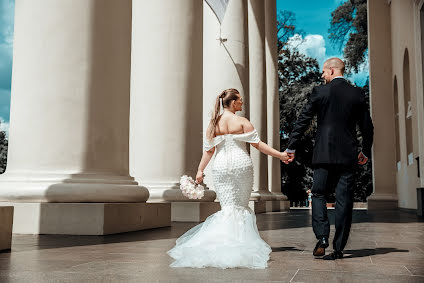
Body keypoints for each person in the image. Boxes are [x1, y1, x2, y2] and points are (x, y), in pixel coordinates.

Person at [167, 88, 291, 269]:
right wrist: (280, 155)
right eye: (240, 100)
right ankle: (239, 245)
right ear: (233, 103)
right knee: (240, 207)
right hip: (241, 165)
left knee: (227, 207)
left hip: (221, 166)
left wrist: (200, 171)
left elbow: (209, 151)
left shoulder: (213, 124)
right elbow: (258, 145)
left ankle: (224, 245)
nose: (242, 102)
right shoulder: (242, 122)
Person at [285, 58, 374, 260]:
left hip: (323, 154)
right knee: (344, 200)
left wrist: (291, 146)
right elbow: (367, 127)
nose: (322, 76)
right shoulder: (357, 93)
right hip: (348, 155)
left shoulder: (320, 92)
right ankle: (339, 247)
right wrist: (365, 151)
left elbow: (303, 120)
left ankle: (322, 237)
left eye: (324, 72)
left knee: (318, 194)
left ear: (332, 70)